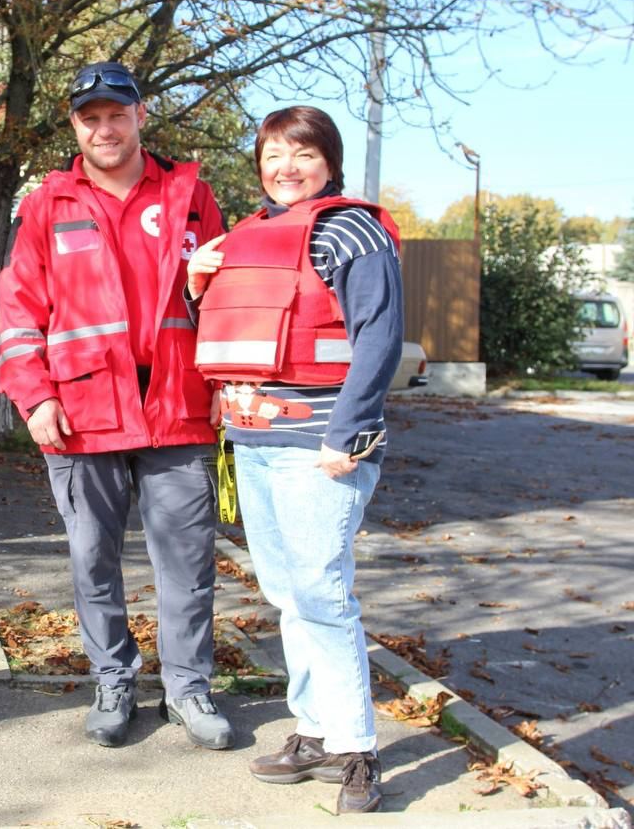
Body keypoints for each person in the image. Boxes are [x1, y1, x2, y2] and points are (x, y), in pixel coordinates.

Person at [0, 61, 232, 750]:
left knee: (187, 568)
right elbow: (18, 313)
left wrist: (225, 389)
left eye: (116, 113)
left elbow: (223, 304)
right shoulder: (47, 205)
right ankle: (114, 680)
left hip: (177, 409)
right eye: (90, 116)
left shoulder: (191, 196)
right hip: (82, 413)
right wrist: (32, 396)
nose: (105, 127)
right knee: (91, 561)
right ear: (75, 124)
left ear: (139, 116)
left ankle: (188, 689)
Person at [188, 105, 403, 814]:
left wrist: (348, 434)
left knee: (322, 593)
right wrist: (196, 283)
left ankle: (356, 750)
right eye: (273, 153)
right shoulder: (245, 234)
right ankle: (313, 730)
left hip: (319, 449)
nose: (285, 167)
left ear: (329, 162)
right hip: (253, 443)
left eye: (302, 153)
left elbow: (378, 337)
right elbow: (227, 331)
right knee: (287, 595)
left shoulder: (353, 230)